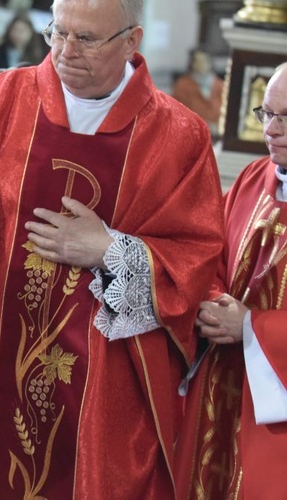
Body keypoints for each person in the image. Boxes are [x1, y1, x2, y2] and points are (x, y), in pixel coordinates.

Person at [0, 0, 225, 498]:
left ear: (131, 41)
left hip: (103, 391)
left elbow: (195, 256)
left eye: (85, 39)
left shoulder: (177, 135)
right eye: (56, 33)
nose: (64, 52)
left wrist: (108, 249)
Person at [175, 62, 287, 500]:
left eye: (285, 118)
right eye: (266, 113)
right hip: (220, 386)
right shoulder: (250, 179)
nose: (270, 130)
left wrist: (251, 328)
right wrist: (217, 304)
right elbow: (208, 256)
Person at [0, 11, 47, 85]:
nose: (18, 35)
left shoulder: (37, 58)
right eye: (15, 30)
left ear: (30, 33)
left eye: (22, 31)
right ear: (9, 30)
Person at [172, 48, 224, 137]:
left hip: (216, 136)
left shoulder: (221, 86)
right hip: (190, 135)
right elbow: (177, 114)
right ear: (192, 64)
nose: (202, 65)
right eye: (198, 61)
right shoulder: (183, 86)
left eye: (204, 61)